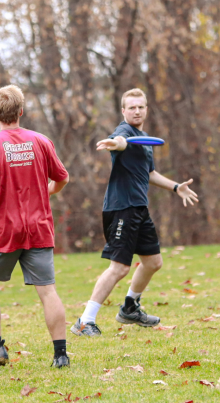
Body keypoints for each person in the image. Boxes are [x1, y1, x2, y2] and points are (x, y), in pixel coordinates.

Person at [0, 85, 71, 370]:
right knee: (47, 290)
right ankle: (61, 355)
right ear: (21, 111)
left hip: (3, 231)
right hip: (39, 227)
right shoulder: (41, 141)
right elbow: (62, 178)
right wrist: (47, 192)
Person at [71, 88, 199, 337]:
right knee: (119, 268)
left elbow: (150, 174)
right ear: (123, 111)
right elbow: (119, 142)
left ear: (146, 109)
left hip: (139, 208)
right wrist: (115, 144)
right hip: (121, 208)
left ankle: (130, 307)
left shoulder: (144, 140)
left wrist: (176, 187)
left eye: (141, 107)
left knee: (153, 262)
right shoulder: (125, 132)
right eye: (132, 107)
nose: (137, 111)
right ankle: (85, 321)